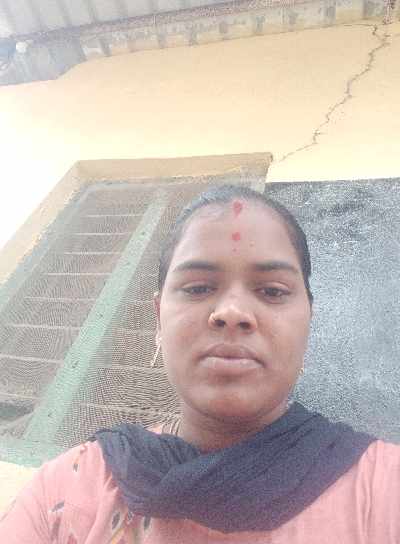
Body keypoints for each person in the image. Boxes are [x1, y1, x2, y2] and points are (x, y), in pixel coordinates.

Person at [1, 184, 399, 543]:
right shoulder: (61, 495)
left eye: (273, 291)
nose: (232, 312)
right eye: (198, 288)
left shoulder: (384, 492)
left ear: (308, 321)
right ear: (158, 320)